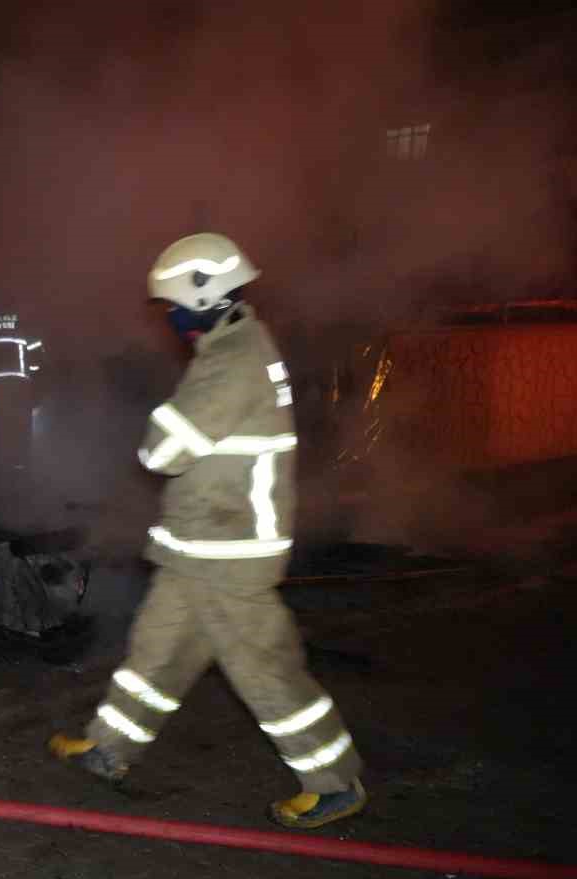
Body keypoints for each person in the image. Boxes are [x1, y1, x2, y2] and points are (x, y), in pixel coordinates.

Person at [47, 232, 367, 829]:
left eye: (172, 307)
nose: (170, 321)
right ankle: (109, 748)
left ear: (202, 299)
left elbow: (164, 449)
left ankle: (332, 782)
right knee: (155, 652)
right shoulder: (236, 345)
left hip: (230, 552)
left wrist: (160, 418)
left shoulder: (232, 361)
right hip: (201, 545)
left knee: (264, 669)